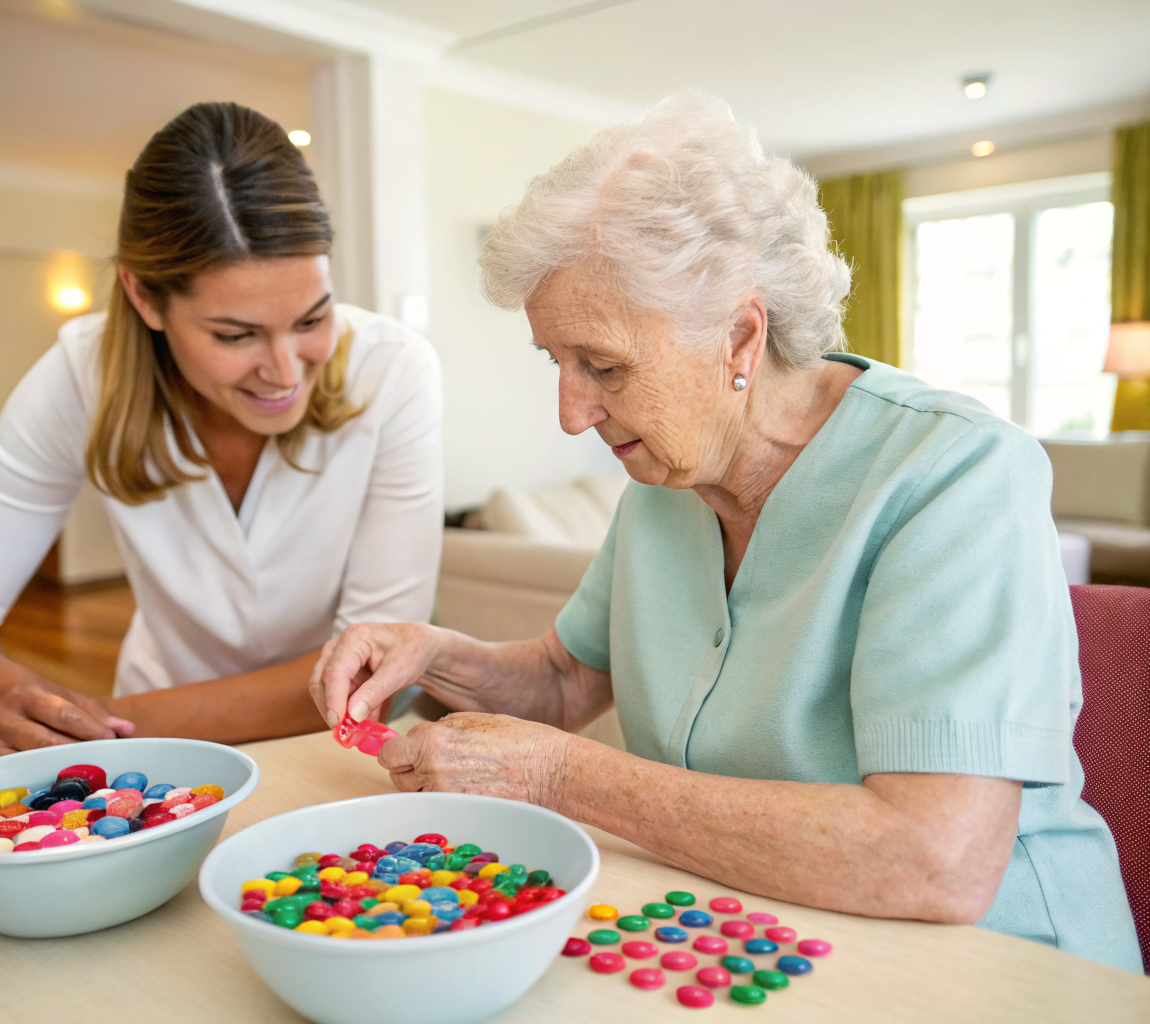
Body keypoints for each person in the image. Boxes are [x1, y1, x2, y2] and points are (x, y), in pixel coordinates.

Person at [309, 92, 1141, 972]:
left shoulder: (954, 474)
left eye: (604, 365)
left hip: (1002, 967)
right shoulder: (665, 481)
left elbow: (935, 861)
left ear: (742, 336)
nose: (570, 414)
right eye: (556, 361)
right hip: (749, 939)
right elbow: (562, 680)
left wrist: (560, 775)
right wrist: (431, 652)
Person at [0, 103, 442, 761]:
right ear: (145, 296)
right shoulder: (81, 371)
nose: (285, 371)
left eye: (311, 319)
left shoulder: (394, 367)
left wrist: (95, 725)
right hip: (155, 740)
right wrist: (20, 701)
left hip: (322, 745)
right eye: (234, 335)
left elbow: (371, 665)